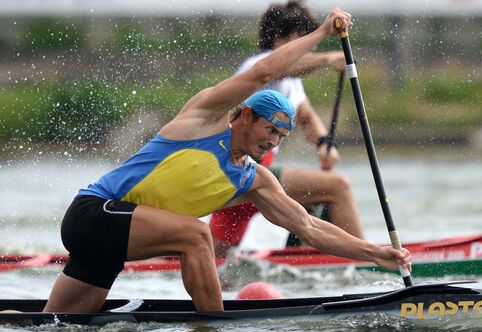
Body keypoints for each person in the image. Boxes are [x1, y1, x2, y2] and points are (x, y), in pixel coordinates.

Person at [43, 8, 412, 314]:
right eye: (269, 130)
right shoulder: (204, 118)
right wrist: (320, 32)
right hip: (93, 214)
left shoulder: (254, 178)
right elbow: (264, 72)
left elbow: (310, 228)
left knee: (58, 326)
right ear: (246, 116)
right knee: (196, 234)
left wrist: (374, 252)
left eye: (281, 137)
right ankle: (214, 329)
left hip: (109, 246)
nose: (273, 140)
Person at [210, 1, 362, 257]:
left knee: (214, 261)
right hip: (240, 173)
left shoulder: (292, 84)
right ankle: (363, 259)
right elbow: (282, 66)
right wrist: (326, 59)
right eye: (305, 38)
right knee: (338, 187)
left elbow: (306, 118)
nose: (312, 46)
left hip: (251, 178)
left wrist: (325, 144)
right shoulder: (258, 65)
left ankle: (309, 259)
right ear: (280, 39)